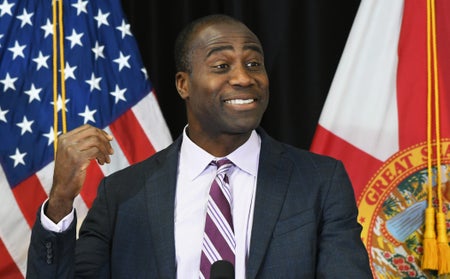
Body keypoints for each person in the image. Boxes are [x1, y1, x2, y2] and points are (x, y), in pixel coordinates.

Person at [26, 14, 373, 278]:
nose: (243, 77)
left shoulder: (319, 181)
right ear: (183, 84)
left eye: (254, 64)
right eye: (221, 66)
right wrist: (59, 203)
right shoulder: (122, 194)